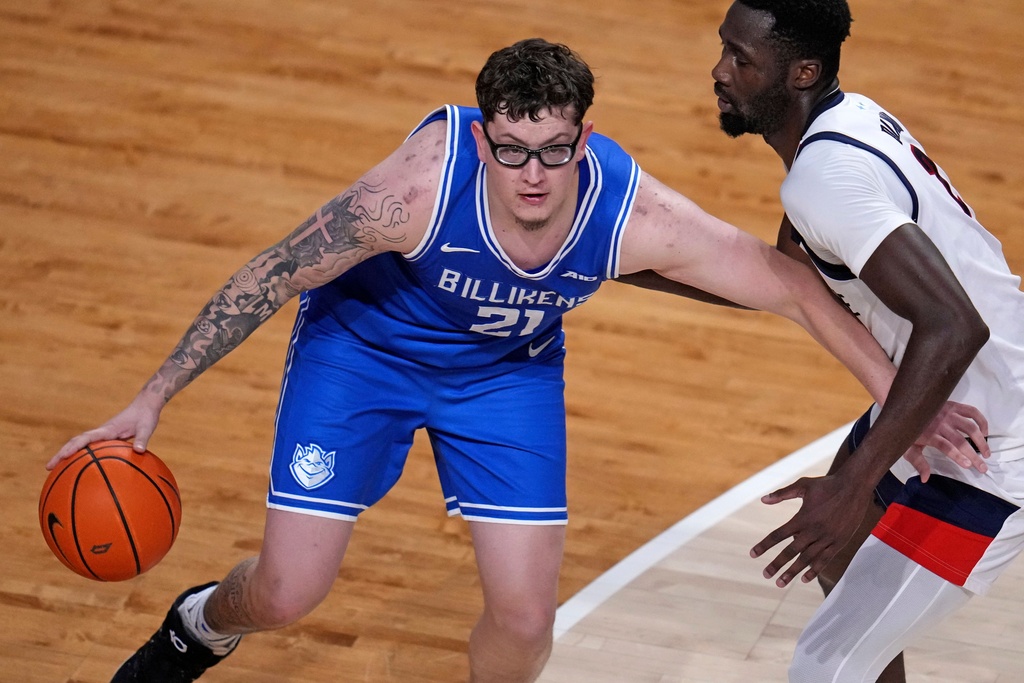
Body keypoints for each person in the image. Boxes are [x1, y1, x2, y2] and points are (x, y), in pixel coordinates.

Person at [51, 38, 978, 683]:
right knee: (288, 592)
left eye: (554, 151)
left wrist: (904, 400)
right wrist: (151, 398)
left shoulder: (633, 211)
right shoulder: (411, 191)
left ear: (583, 139)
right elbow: (270, 274)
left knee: (527, 622)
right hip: (364, 351)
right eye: (512, 152)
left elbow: (793, 287)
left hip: (504, 371)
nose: (533, 174)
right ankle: (200, 626)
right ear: (481, 139)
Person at [711, 1, 1024, 681]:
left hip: (996, 447)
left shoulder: (823, 178)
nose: (720, 71)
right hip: (950, 398)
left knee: (825, 666)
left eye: (742, 59)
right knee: (839, 551)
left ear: (802, 72)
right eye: (724, 49)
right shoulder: (849, 118)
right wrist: (646, 262)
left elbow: (954, 326)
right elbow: (793, 270)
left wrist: (853, 484)